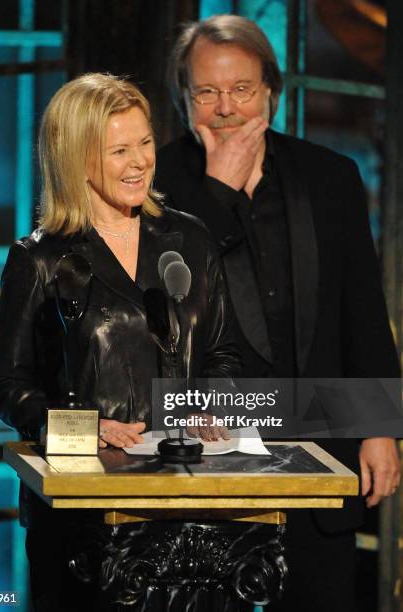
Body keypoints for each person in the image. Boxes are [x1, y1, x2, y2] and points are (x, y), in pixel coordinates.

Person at [154, 14, 401, 612]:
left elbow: (362, 308)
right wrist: (216, 195)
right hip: (210, 451)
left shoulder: (330, 177)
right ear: (185, 97)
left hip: (323, 444)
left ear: (271, 89)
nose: (226, 108)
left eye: (241, 89)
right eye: (206, 92)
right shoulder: (158, 182)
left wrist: (381, 427)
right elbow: (163, 313)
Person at [0, 72, 240, 611]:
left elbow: (223, 350)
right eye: (119, 150)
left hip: (192, 508)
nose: (141, 161)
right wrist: (85, 430)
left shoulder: (190, 239)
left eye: (145, 143)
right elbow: (9, 383)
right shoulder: (40, 259)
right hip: (86, 519)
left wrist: (209, 404)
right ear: (77, 159)